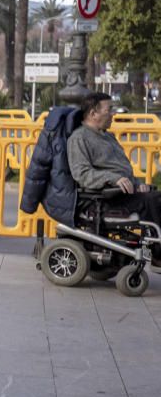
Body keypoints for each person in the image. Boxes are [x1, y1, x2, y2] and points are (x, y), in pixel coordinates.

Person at [67, 92, 161, 267]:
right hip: (102, 200)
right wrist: (112, 179)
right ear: (93, 114)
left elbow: (124, 170)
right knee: (155, 201)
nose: (113, 114)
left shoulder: (107, 137)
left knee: (153, 195)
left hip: (122, 194)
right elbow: (82, 174)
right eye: (109, 110)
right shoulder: (79, 138)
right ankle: (158, 254)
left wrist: (137, 184)